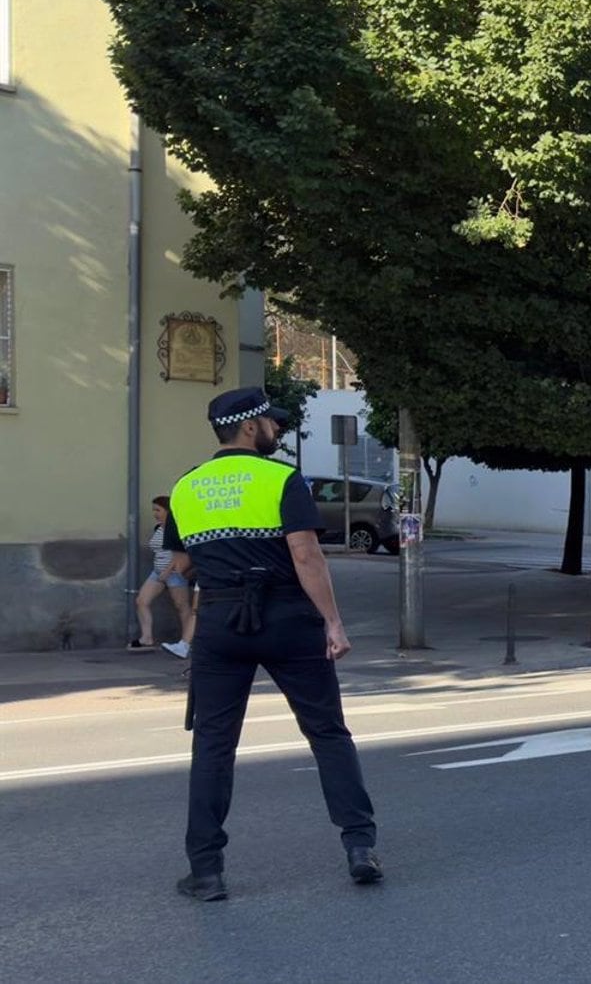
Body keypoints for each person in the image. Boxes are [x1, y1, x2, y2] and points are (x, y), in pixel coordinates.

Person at [166, 386, 380, 901]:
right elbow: (306, 554)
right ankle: (359, 847)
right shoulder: (282, 479)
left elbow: (179, 565)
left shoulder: (186, 487)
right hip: (287, 616)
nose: (277, 431)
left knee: (213, 745)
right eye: (271, 423)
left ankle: (207, 871)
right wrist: (333, 622)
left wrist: (220, 560)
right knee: (327, 733)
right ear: (248, 427)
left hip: (220, 620)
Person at [132, 494, 195, 659]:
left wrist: (168, 571)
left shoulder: (178, 528)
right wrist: (161, 572)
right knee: (141, 601)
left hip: (174, 573)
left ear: (168, 511)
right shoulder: (158, 528)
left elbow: (181, 553)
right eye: (154, 510)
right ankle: (146, 637)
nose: (155, 513)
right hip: (157, 572)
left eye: (158, 510)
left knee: (182, 606)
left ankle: (187, 642)